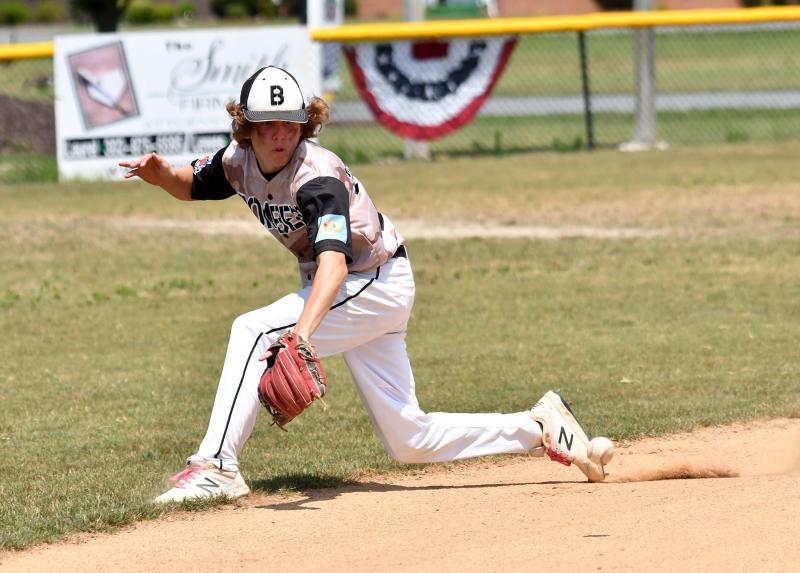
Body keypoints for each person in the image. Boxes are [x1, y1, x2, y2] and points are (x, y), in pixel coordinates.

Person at [120, 66, 610, 503]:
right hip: (363, 286)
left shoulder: (317, 179)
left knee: (253, 331)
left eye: (289, 123)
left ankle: (216, 467)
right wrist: (161, 174)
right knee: (409, 439)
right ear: (246, 128)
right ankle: (540, 425)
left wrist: (302, 336)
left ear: (303, 124)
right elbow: (190, 183)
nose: (278, 134)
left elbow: (334, 265)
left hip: (370, 280)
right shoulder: (237, 160)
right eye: (266, 125)